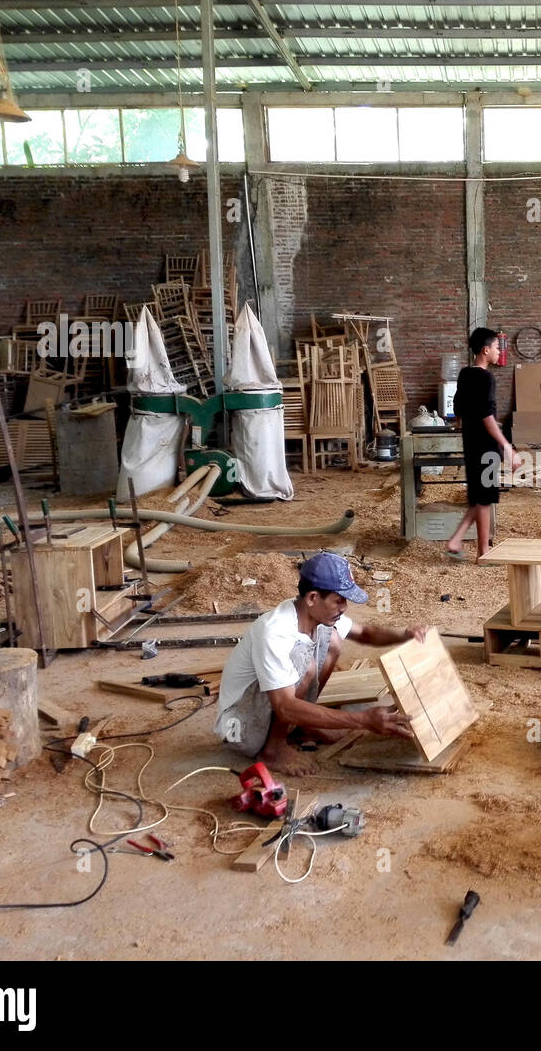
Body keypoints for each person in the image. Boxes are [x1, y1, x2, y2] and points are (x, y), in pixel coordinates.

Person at [214, 552, 426, 775]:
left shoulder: (314, 612)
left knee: (332, 640)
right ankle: (273, 750)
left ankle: (304, 725)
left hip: (272, 711)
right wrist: (363, 720)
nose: (344, 607)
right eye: (338, 600)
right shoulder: (275, 632)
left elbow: (364, 633)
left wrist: (404, 636)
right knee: (305, 665)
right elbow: (285, 706)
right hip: (239, 728)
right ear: (313, 598)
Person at [444, 327, 523, 562]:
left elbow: (458, 411)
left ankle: (456, 540)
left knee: (480, 496)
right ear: (486, 350)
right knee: (485, 499)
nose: (500, 352)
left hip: (470, 442)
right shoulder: (486, 377)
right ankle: (483, 553)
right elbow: (487, 418)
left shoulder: (464, 374)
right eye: (497, 348)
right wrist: (508, 448)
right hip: (485, 446)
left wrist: (468, 425)